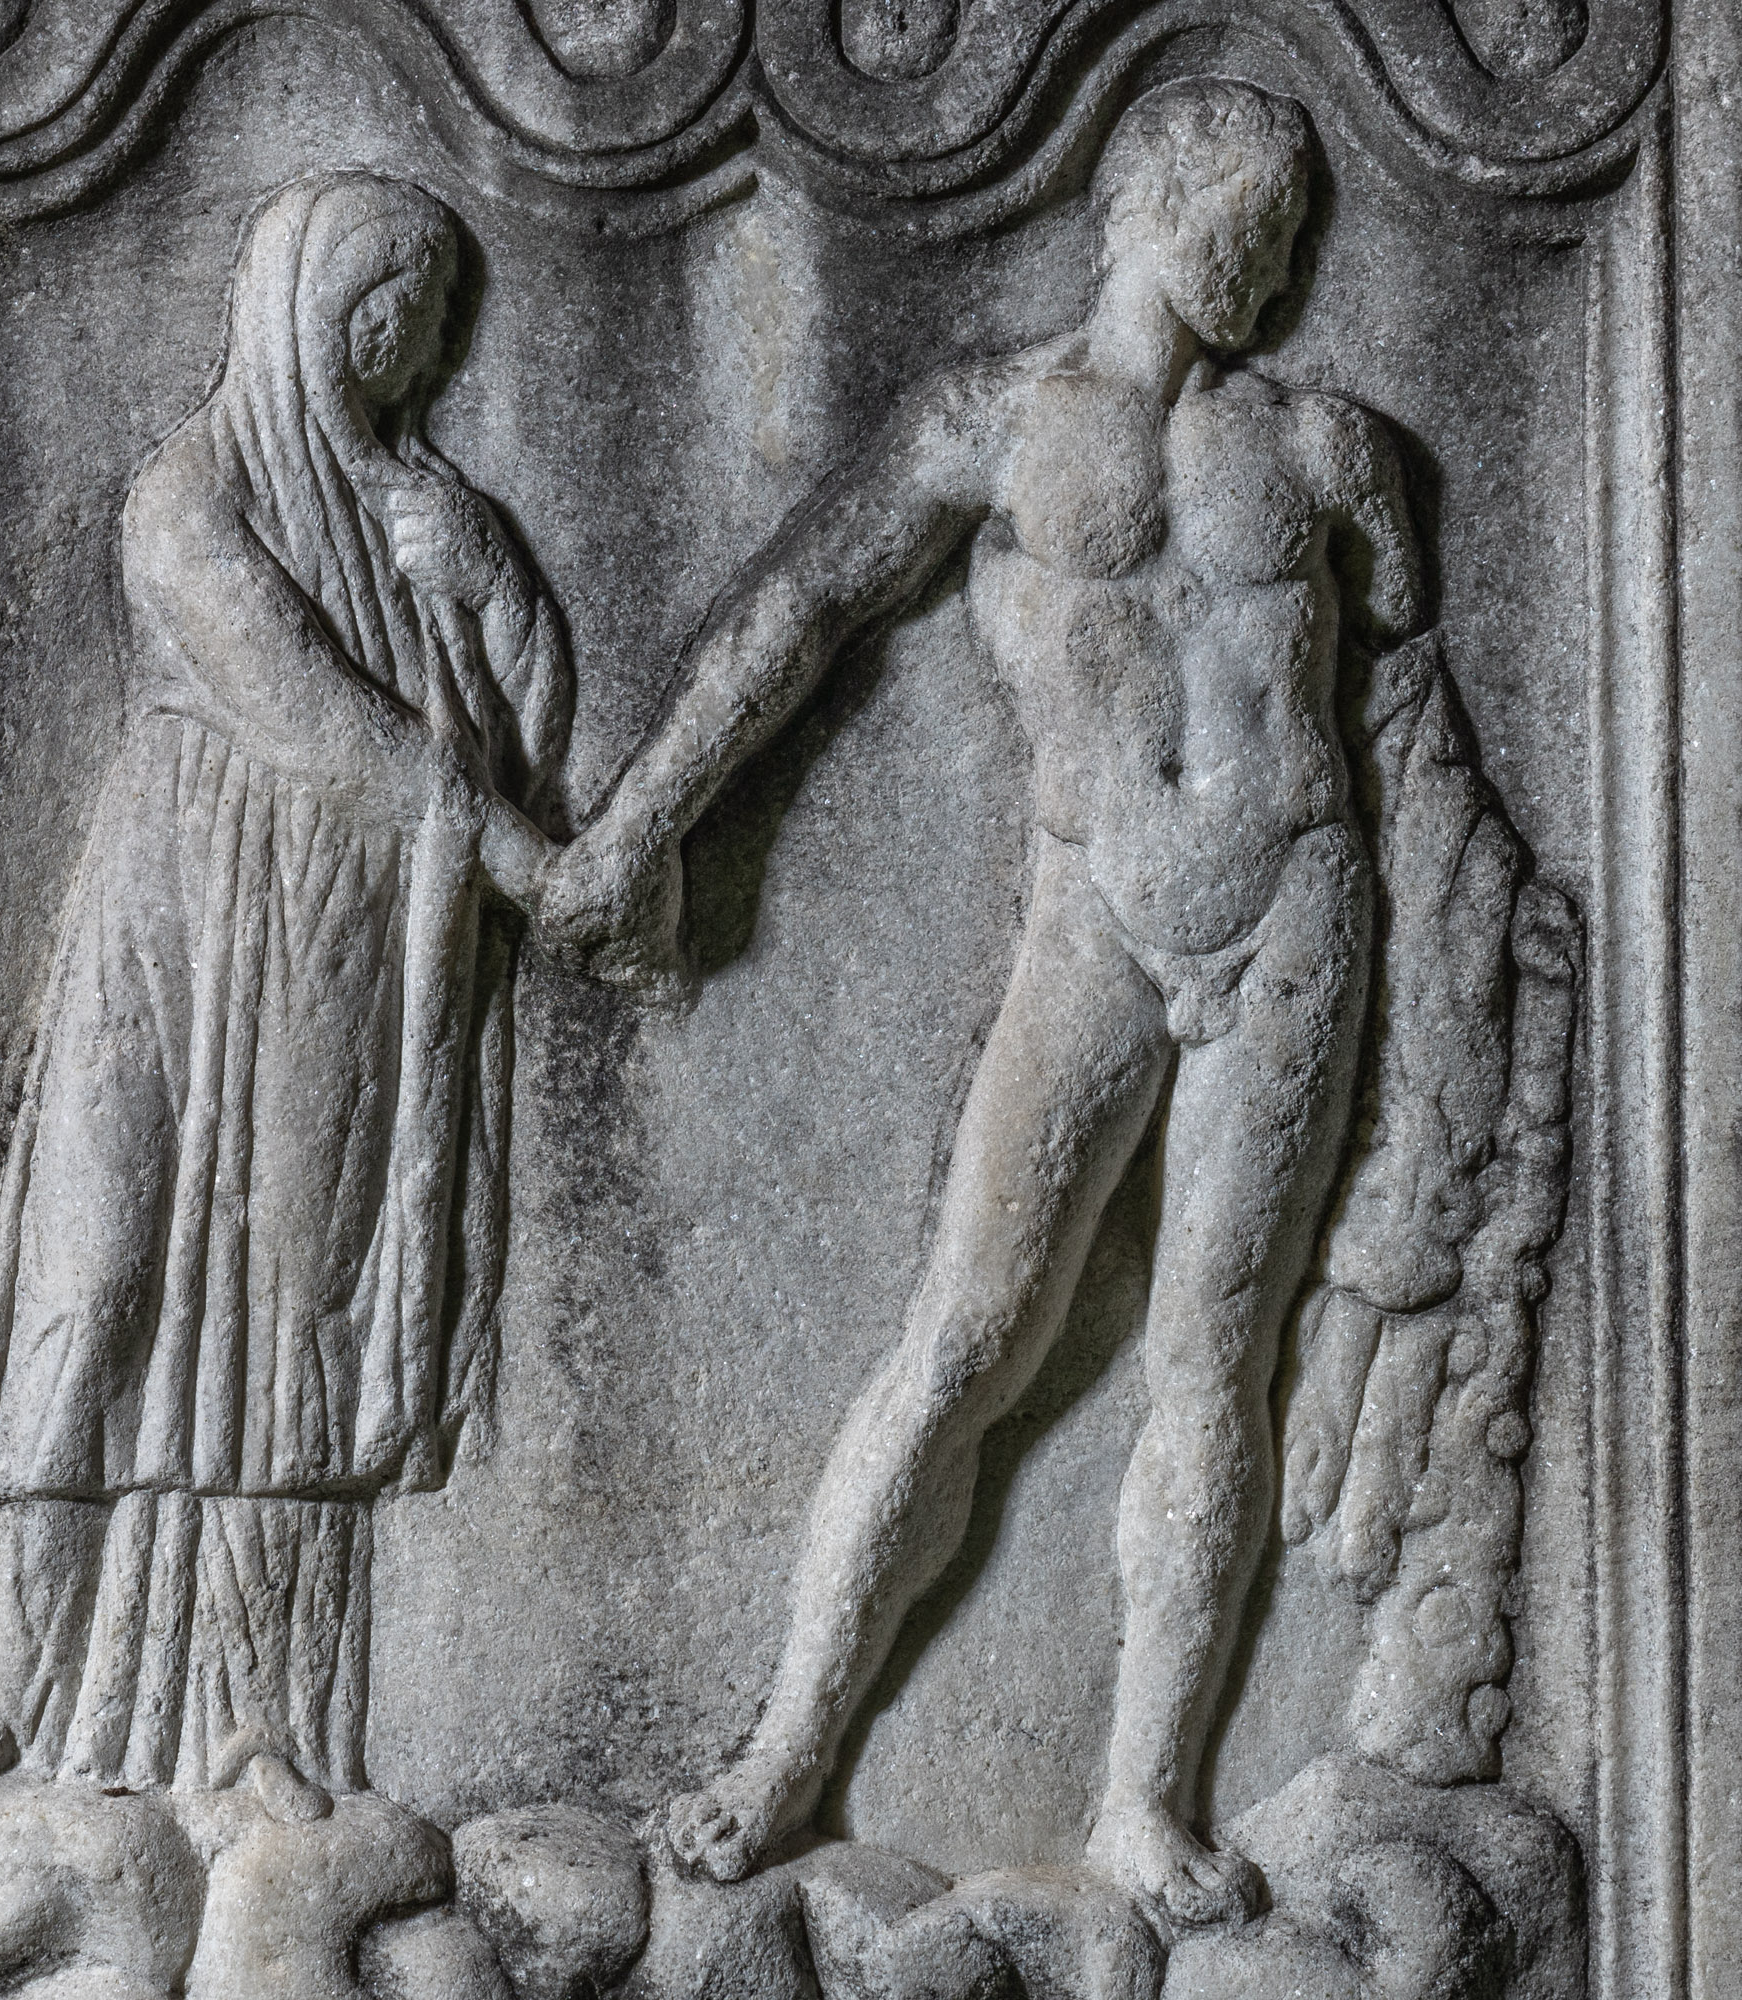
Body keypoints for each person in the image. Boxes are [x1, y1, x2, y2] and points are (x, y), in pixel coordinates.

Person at [539, 77, 1422, 1924]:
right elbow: (800, 610)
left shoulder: (1325, 444)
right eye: (1243, 215)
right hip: (1092, 906)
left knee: (1213, 1358)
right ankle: (787, 1751)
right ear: (1139, 196)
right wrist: (639, 825)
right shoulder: (992, 423)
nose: (1267, 259)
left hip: (1292, 909)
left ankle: (1141, 1801)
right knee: (967, 1333)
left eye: (1288, 233)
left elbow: (1407, 676)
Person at [0, 171, 570, 1823]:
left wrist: (493, 584)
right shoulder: (183, 498)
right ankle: (9, 1685)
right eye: (389, 311)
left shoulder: (421, 508)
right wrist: (522, 862)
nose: (414, 349)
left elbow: (524, 733)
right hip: (178, 915)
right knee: (91, 1271)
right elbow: (316, 714)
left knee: (297, 1312)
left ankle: (258, 1725)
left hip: (340, 941)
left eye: (432, 322)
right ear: (301, 312)